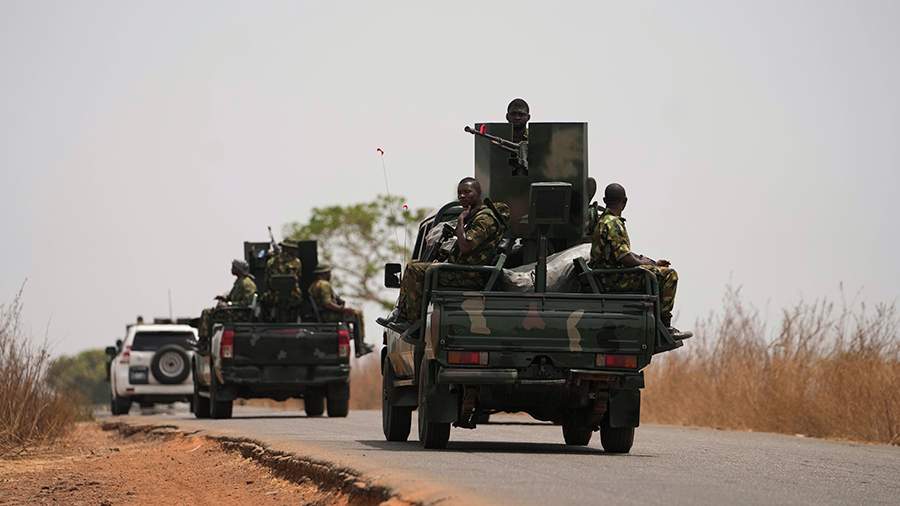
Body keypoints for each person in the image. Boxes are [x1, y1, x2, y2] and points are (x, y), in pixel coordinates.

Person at [380, 177, 507, 327]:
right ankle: (401, 315)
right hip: (462, 270)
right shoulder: (474, 215)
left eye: (467, 192)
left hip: (469, 274)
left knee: (415, 270)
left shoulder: (484, 218)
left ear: (478, 193)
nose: (462, 196)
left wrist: (460, 220)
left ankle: (411, 323)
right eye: (460, 193)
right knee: (413, 265)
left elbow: (466, 246)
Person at [589, 183, 679, 329]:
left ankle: (658, 320)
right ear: (624, 202)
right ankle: (664, 324)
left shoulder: (603, 221)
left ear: (605, 201)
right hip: (614, 279)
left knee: (656, 271)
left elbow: (624, 254)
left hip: (607, 277)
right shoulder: (613, 223)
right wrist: (647, 265)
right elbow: (626, 258)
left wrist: (653, 263)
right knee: (669, 275)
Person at [309, 263, 373, 356]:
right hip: (328, 315)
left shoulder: (314, 285)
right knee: (357, 314)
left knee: (352, 313)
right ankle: (361, 347)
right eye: (328, 272)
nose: (330, 275)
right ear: (323, 273)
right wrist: (341, 309)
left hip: (324, 314)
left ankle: (353, 336)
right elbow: (327, 304)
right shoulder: (324, 284)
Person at [199, 260, 257, 340]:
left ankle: (203, 340)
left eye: (234, 267)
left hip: (239, 314)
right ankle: (205, 339)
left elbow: (247, 303)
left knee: (207, 313)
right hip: (234, 311)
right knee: (209, 311)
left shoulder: (247, 283)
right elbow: (231, 297)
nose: (232, 269)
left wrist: (229, 304)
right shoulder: (239, 282)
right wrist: (223, 298)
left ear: (239, 269)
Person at [264, 241, 303, 322]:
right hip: (277, 295)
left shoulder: (296, 262)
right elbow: (267, 280)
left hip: (291, 294)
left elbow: (297, 278)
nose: (295, 251)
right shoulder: (272, 262)